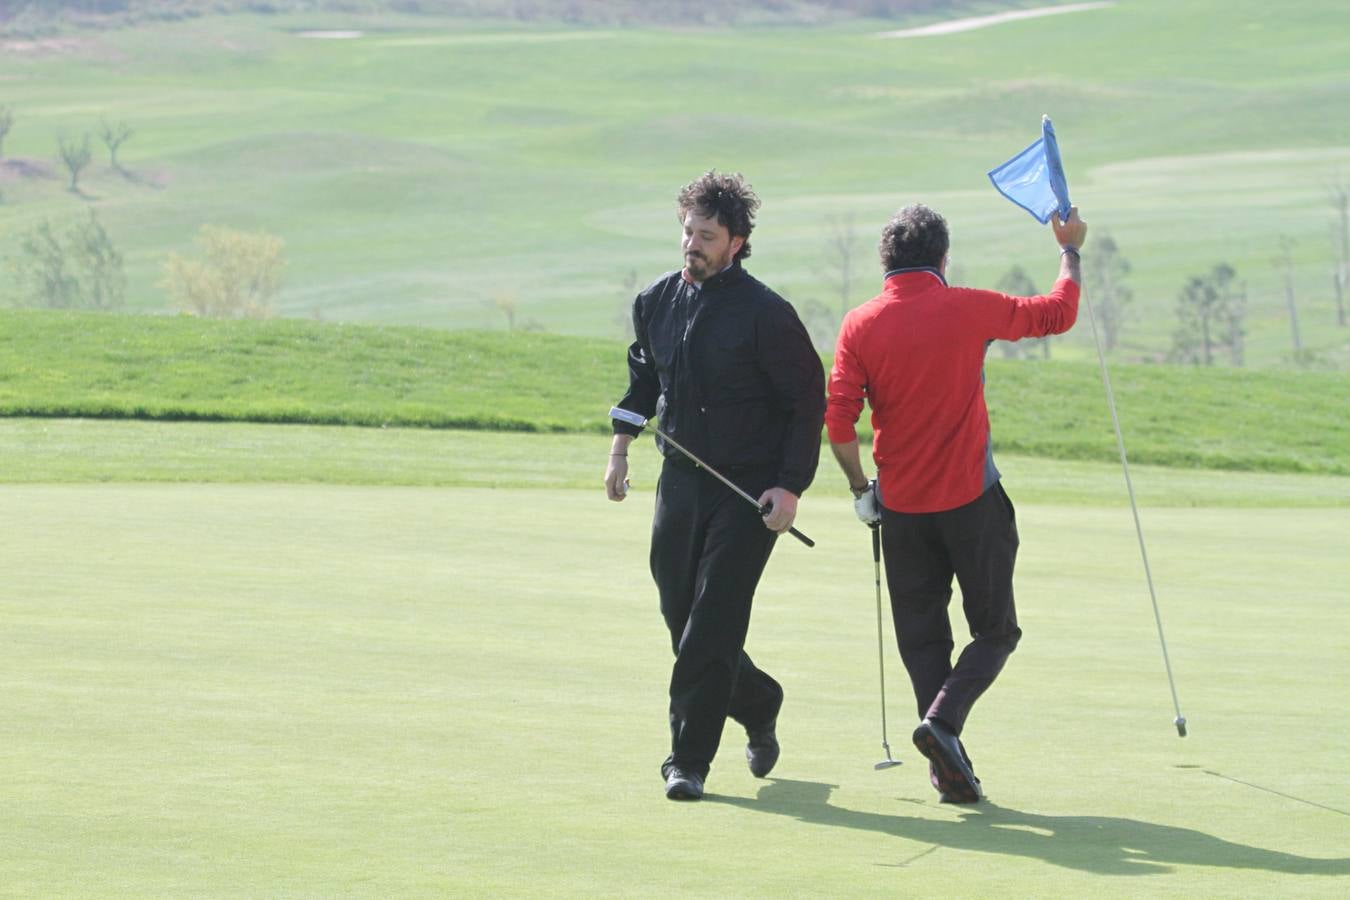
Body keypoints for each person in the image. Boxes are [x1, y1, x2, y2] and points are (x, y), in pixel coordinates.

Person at [824, 203, 1088, 803]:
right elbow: (1058, 314)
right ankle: (943, 728)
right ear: (942, 259)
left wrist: (859, 488)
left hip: (902, 512)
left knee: (923, 642)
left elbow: (839, 422)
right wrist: (1069, 251)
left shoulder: (860, 323)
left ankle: (946, 768)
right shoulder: (967, 306)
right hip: (972, 501)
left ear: (885, 262)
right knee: (995, 631)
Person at [605, 171, 825, 801]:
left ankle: (688, 761)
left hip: (746, 497)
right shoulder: (655, 304)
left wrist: (789, 488)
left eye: (707, 235)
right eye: (687, 232)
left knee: (713, 625)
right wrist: (620, 450)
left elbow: (806, 403)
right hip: (679, 484)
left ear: (737, 242)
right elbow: (645, 385)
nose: (691, 245)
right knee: (682, 618)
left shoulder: (767, 315)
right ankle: (758, 701)